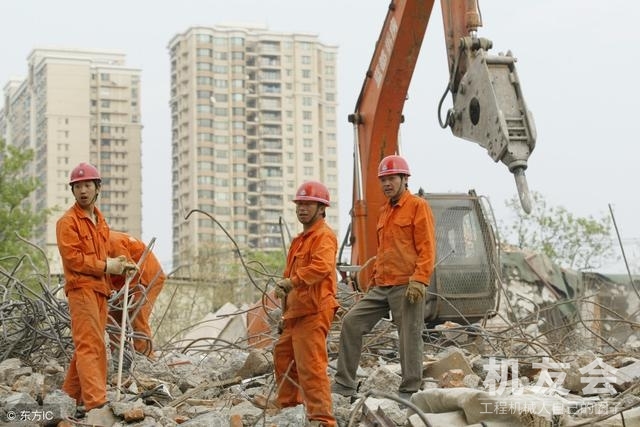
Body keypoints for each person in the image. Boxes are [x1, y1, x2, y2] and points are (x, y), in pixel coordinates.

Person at [332, 155, 436, 400]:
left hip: (406, 285)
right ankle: (344, 384)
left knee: (409, 336)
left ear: (404, 179)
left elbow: (427, 247)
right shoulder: (384, 212)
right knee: (351, 322)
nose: (387, 183)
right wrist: (375, 279)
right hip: (382, 286)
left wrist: (420, 279)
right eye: (383, 180)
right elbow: (385, 251)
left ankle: (410, 390)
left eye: (391, 178)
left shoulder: (418, 206)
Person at [56, 162, 132, 411]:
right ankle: (96, 403)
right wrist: (106, 266)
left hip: (100, 291)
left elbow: (106, 252)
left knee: (87, 345)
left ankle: (69, 397)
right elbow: (74, 260)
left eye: (87, 185)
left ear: (97, 188)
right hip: (81, 290)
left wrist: (123, 263)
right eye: (78, 186)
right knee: (91, 346)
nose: (83, 190)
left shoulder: (100, 221)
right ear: (73, 191)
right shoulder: (67, 222)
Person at [273, 181, 340, 427]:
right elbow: (287, 279)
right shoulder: (299, 240)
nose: (302, 208)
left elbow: (322, 267)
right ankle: (291, 410)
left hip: (315, 310)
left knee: (311, 366)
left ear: (322, 208)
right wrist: (285, 315)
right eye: (300, 204)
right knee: (283, 357)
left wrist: (292, 282)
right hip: (296, 313)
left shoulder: (324, 236)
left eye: (308, 204)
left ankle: (323, 419)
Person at [108, 230, 166, 357]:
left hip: (147, 277)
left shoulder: (112, 243)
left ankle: (146, 358)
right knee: (112, 317)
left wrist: (127, 299)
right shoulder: (94, 247)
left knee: (137, 313)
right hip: (122, 284)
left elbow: (130, 272)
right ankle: (118, 356)